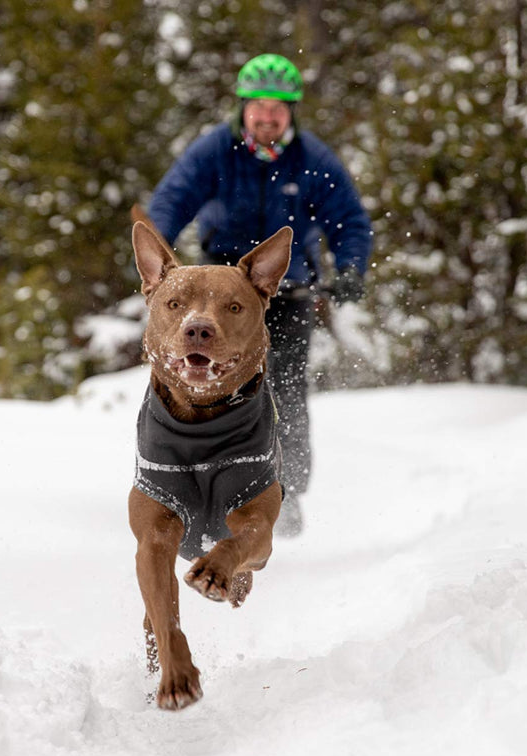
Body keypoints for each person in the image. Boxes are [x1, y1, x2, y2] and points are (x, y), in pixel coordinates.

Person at [145, 53, 372, 536]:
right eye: (260, 107)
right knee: (197, 382)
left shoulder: (312, 159)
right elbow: (171, 199)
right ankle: (192, 486)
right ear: (244, 108)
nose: (268, 116)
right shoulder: (214, 151)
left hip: (286, 296)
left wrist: (351, 267)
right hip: (217, 293)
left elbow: (348, 218)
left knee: (283, 389)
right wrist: (158, 256)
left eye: (279, 108)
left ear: (292, 113)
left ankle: (282, 492)